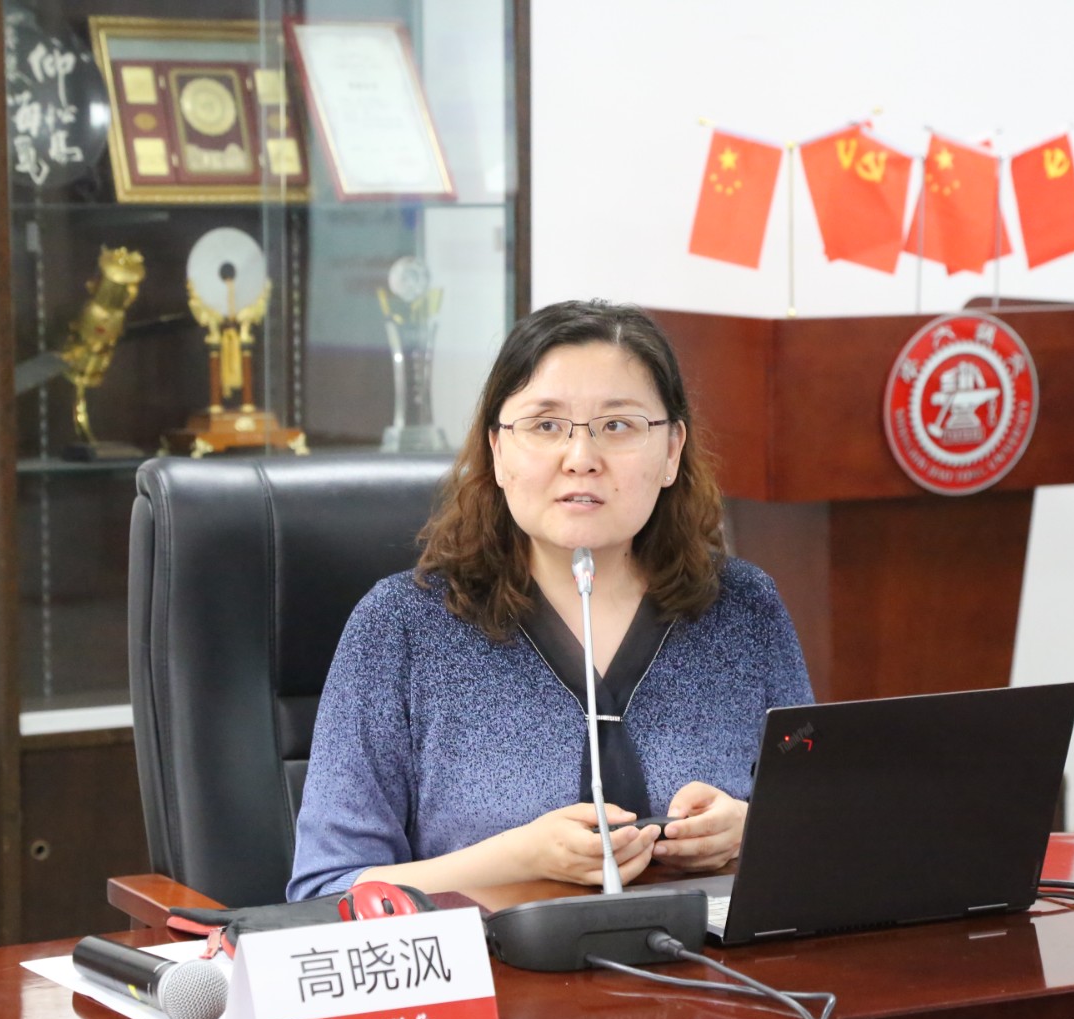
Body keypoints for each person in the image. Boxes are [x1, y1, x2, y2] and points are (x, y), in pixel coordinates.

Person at [287, 299, 812, 900]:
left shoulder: (744, 608)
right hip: (497, 963)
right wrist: (516, 859)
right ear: (497, 451)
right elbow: (325, 893)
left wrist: (752, 830)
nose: (581, 459)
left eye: (618, 426)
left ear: (671, 451)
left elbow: (823, 832)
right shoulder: (401, 628)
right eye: (545, 426)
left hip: (708, 960)